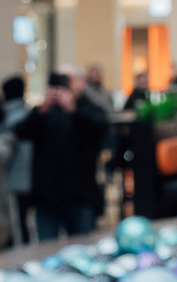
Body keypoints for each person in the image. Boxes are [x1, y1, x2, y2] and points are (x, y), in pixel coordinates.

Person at [14, 71, 109, 240]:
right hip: (46, 196)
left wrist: (72, 109)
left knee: (80, 246)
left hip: (80, 194)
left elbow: (99, 130)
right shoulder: (43, 113)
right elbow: (21, 132)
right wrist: (42, 110)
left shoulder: (89, 109)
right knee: (46, 248)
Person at [1, 74, 33, 246]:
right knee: (24, 223)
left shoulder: (7, 118)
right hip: (28, 177)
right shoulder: (29, 113)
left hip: (12, 178)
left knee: (16, 225)